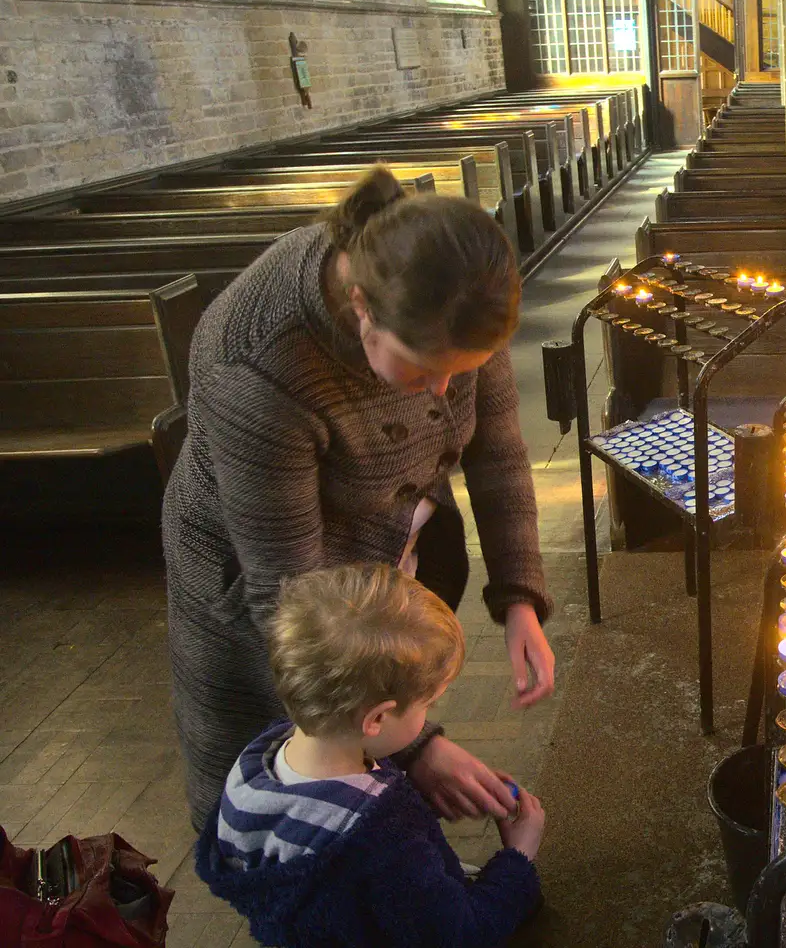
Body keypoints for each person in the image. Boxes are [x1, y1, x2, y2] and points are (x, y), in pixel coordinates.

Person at [163, 168, 556, 831]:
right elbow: (296, 606)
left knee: (385, 745)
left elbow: (498, 452)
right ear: (360, 308)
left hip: (377, 552)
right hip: (266, 596)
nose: (441, 392)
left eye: (460, 371)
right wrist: (416, 745)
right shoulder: (259, 362)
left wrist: (519, 596)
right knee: (305, 791)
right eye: (422, 370)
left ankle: (398, 873)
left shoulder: (458, 286)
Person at [195, 565, 545, 948]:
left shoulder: (253, 767)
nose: (432, 711)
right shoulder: (384, 839)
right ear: (376, 718)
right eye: (429, 702)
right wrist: (517, 858)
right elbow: (463, 933)